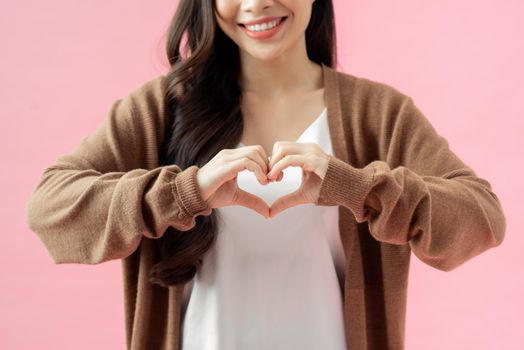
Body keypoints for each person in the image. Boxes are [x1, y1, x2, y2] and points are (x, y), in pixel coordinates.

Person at [25, 0, 507, 349]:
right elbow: (51, 209)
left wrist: (354, 187)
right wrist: (184, 192)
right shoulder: (162, 108)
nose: (256, 4)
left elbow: (482, 219)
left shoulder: (377, 113)